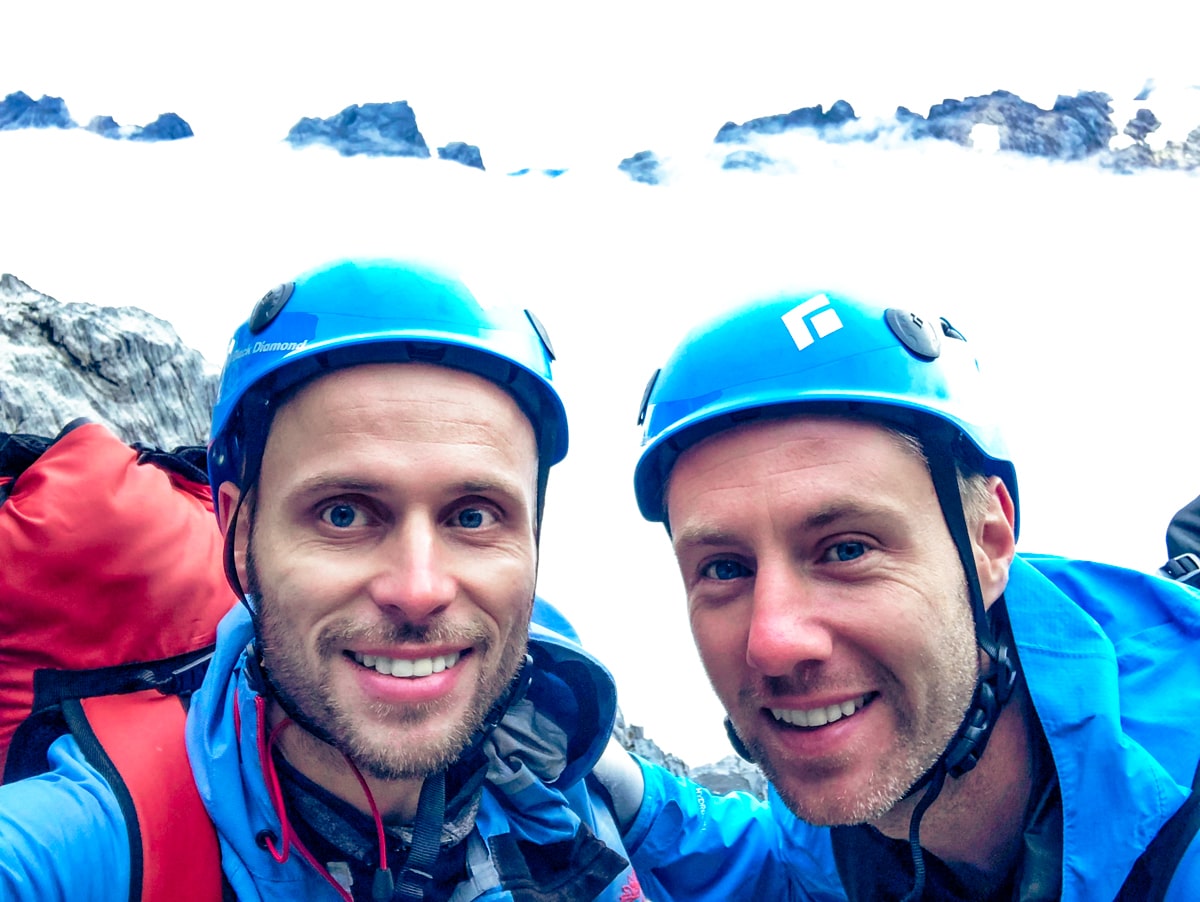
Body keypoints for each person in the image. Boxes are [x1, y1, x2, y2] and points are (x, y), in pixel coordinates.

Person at [0, 258, 658, 901]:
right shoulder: (86, 843)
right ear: (241, 536)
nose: (419, 587)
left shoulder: (550, 753)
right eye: (343, 514)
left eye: (474, 515)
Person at [630, 289, 1200, 899]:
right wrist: (633, 797)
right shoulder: (841, 819)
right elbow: (783, 865)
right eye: (723, 569)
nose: (773, 642)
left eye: (848, 549)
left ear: (987, 544)